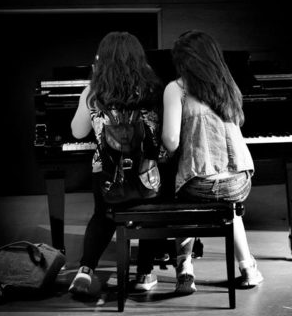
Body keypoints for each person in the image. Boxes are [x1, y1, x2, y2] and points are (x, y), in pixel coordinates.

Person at [161, 30, 264, 295]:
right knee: (230, 208)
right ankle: (248, 268)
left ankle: (185, 269)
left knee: (180, 196)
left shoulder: (177, 88)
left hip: (201, 185)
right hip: (239, 181)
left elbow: (171, 141)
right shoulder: (227, 86)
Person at [68, 31, 166, 296]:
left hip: (107, 174)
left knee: (102, 216)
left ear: (101, 60)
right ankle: (145, 274)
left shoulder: (93, 92)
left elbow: (77, 132)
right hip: (146, 173)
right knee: (149, 217)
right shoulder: (154, 90)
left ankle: (85, 270)